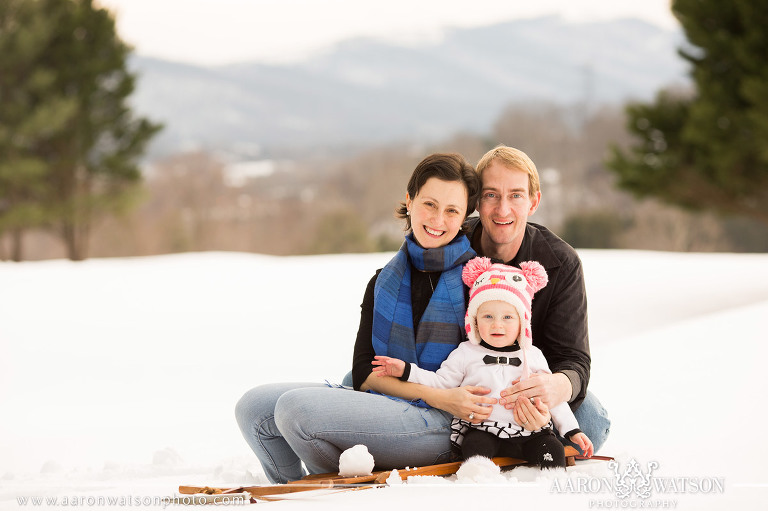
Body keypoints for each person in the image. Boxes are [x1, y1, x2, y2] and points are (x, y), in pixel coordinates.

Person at [236, 153, 517, 484]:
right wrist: (433, 394)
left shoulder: (482, 281)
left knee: (295, 410)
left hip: (454, 424)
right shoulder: (385, 280)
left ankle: (334, 489)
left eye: (452, 210)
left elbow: (506, 358)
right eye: (430, 204)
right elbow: (363, 372)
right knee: (253, 408)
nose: (438, 219)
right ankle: (290, 493)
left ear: (464, 217)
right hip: (411, 401)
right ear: (410, 201)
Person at [372, 257, 593, 468]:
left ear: (522, 322)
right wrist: (406, 371)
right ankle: (478, 472)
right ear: (474, 321)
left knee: (552, 449)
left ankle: (549, 480)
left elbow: (552, 398)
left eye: (507, 317)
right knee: (474, 446)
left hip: (529, 431)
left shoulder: (532, 355)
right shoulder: (466, 352)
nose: (497, 325)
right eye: (488, 317)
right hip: (484, 428)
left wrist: (572, 431)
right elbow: (440, 382)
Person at [464, 145, 610, 452]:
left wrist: (556, 387)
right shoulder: (455, 245)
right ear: (477, 201)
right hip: (470, 381)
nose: (503, 210)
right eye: (491, 194)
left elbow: (573, 358)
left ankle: (520, 439)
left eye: (516, 195)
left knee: (592, 422)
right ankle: (488, 439)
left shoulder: (561, 261)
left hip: (527, 385)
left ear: (534, 201)